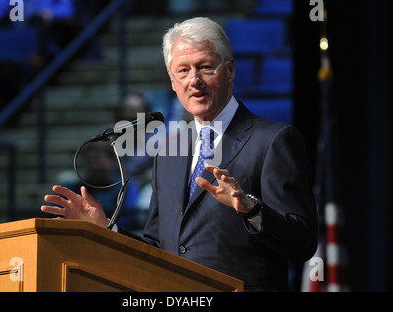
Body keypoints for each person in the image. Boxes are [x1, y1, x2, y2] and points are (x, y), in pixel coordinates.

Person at [41, 17, 317, 291]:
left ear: (230, 70)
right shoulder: (168, 153)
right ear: (173, 82)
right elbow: (157, 251)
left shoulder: (273, 140)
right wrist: (106, 229)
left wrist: (252, 210)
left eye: (205, 67)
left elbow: (303, 242)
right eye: (182, 71)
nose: (194, 80)